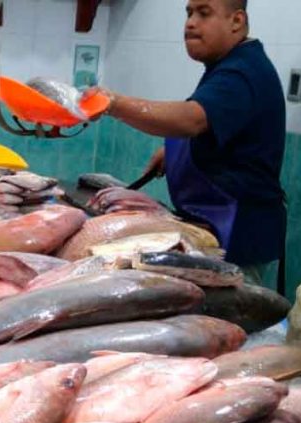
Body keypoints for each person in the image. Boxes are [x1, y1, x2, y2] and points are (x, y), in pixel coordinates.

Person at [92, 0, 287, 289]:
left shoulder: (241, 73)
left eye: (204, 13)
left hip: (235, 239)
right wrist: (176, 152)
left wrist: (111, 103)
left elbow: (192, 120)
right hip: (219, 226)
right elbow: (218, 127)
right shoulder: (230, 65)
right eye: (189, 13)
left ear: (236, 21)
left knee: (225, 326)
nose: (190, 23)